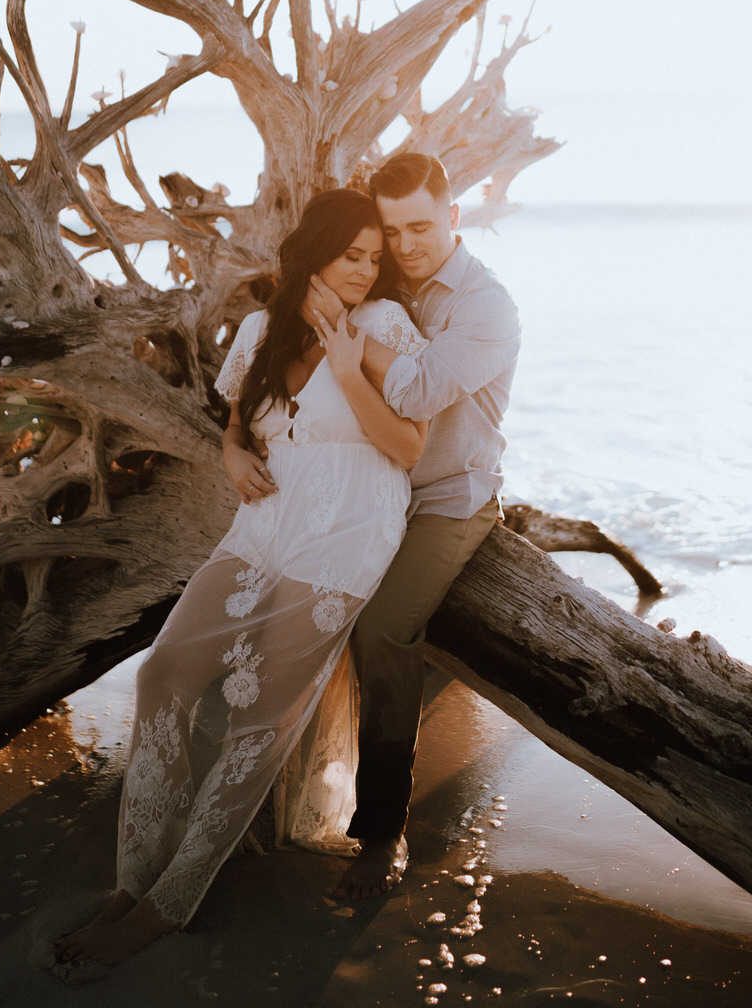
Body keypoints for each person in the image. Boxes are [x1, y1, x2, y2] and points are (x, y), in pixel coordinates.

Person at [51, 188, 427, 977]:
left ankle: (167, 901)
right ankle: (133, 878)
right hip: (265, 524)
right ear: (312, 254)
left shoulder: (386, 327)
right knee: (166, 672)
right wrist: (229, 451)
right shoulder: (260, 328)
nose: (365, 269)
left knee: (260, 711)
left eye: (373, 256)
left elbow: (407, 447)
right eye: (349, 254)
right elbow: (239, 417)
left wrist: (350, 360)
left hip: (347, 537)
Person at [303, 154, 521, 901]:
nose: (405, 244)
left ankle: (381, 832)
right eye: (391, 231)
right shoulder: (388, 280)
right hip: (375, 489)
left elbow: (421, 389)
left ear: (454, 217)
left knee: (383, 627)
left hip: (450, 498)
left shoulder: (486, 306)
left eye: (421, 226)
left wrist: (347, 340)